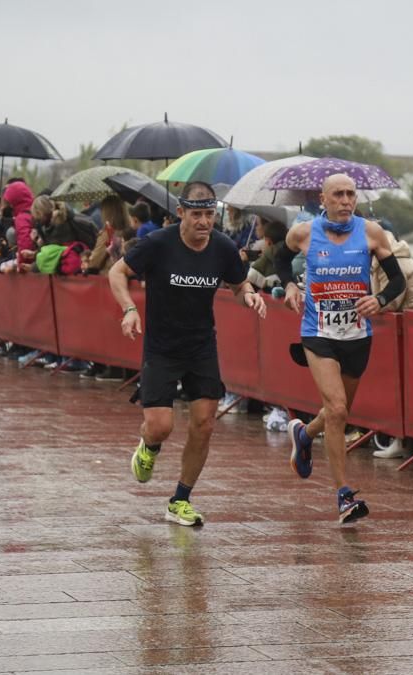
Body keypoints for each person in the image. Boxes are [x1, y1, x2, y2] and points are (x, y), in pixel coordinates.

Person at [109, 181, 266, 527]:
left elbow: (239, 284)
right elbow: (117, 272)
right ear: (181, 212)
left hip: (201, 346)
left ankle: (180, 500)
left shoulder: (223, 247)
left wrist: (249, 295)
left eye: (210, 214)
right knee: (160, 427)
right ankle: (149, 445)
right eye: (197, 214)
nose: (204, 222)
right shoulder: (158, 243)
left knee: (205, 424)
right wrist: (129, 309)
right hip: (162, 347)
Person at [273, 173, 407, 524]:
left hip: (357, 336)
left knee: (339, 412)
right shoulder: (303, 233)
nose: (346, 201)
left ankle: (304, 434)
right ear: (323, 199)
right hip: (318, 333)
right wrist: (290, 286)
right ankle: (344, 495)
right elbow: (279, 260)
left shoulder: (371, 233)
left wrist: (379, 300)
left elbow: (398, 281)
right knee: (336, 408)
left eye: (351, 194)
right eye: (338, 195)